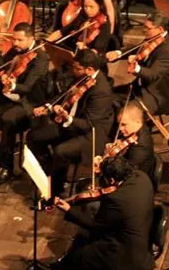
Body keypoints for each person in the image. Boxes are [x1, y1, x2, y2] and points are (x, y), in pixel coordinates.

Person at [16, 156, 154, 270]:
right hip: (142, 236)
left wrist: (69, 209)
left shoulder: (117, 200)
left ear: (112, 180)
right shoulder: (142, 178)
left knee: (79, 256)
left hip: (124, 252)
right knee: (82, 240)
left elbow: (96, 226)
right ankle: (65, 265)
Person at [27, 49, 118, 198]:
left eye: (77, 68)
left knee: (61, 151)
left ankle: (54, 191)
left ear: (89, 69)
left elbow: (88, 124)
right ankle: (50, 171)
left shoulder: (101, 91)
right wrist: (48, 107)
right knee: (34, 137)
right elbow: (63, 94)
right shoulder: (82, 76)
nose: (73, 71)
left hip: (91, 134)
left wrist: (67, 118)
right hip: (72, 123)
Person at [0, 23, 51, 184]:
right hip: (7, 97)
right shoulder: (17, 49)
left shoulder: (42, 58)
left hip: (27, 103)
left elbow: (27, 87)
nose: (15, 43)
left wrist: (12, 85)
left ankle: (6, 167)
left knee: (7, 120)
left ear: (31, 38)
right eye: (14, 39)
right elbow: (2, 62)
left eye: (20, 40)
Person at [107, 13, 169, 115]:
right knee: (107, 96)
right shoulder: (152, 39)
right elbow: (136, 49)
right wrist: (118, 53)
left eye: (148, 28)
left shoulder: (166, 50)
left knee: (125, 111)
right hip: (140, 87)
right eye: (144, 27)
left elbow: (153, 75)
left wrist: (137, 68)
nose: (144, 30)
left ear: (160, 29)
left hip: (155, 94)